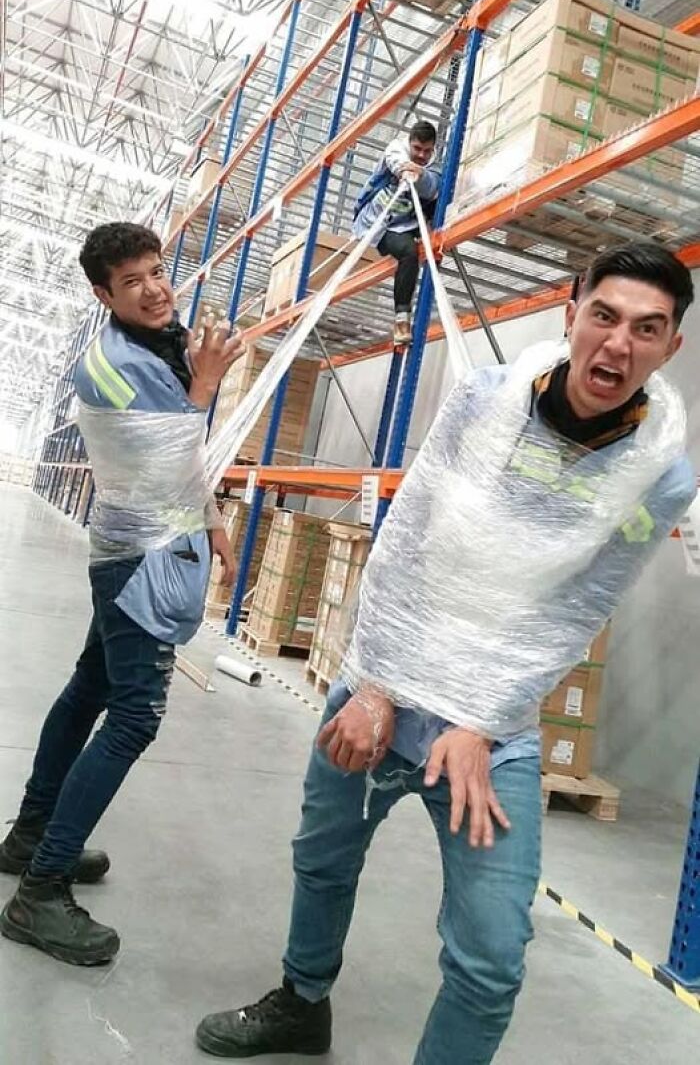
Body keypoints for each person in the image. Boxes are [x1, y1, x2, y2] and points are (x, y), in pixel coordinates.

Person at [196, 243, 696, 1063]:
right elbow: (406, 542)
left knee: (491, 959)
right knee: (323, 861)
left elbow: (579, 607)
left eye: (648, 329)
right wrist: (378, 687)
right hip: (380, 688)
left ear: (671, 347)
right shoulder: (483, 402)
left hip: (490, 732)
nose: (618, 344)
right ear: (571, 315)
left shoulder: (660, 482)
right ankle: (302, 998)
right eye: (603, 316)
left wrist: (478, 718)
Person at [0, 222, 243, 967]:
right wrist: (205, 387)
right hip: (135, 563)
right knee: (133, 715)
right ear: (103, 295)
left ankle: (31, 835)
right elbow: (167, 456)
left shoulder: (155, 345)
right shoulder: (108, 366)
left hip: (143, 545)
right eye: (132, 280)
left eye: (159, 270)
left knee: (87, 691)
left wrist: (214, 524)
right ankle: (39, 894)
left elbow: (178, 463)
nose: (156, 288)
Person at [352, 119, 440, 347]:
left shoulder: (434, 166)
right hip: (378, 224)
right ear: (409, 142)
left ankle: (404, 318)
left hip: (406, 223)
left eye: (427, 151)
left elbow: (432, 186)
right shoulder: (396, 149)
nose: (421, 155)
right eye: (417, 149)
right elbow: (394, 159)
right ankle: (402, 317)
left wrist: (419, 174)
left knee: (414, 246)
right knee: (409, 252)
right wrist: (404, 169)